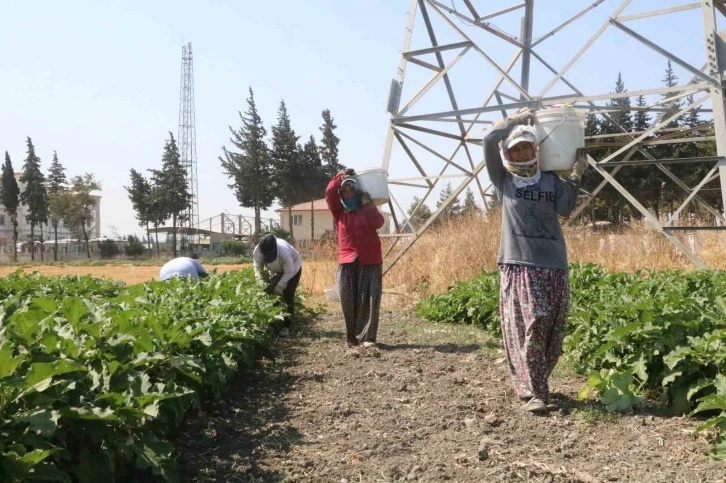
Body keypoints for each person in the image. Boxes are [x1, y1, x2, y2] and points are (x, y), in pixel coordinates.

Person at [483, 108, 589, 414]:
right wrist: (515, 122)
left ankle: (531, 383)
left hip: (555, 263)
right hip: (520, 264)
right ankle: (538, 393)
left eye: (525, 146)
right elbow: (490, 139)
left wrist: (577, 173)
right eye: (514, 149)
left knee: (553, 330)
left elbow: (566, 209)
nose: (519, 153)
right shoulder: (504, 180)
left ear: (535, 149)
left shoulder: (550, 180)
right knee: (532, 323)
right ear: (507, 154)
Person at [325, 168, 386, 348]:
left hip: (370, 259)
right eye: (344, 190)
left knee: (370, 298)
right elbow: (329, 193)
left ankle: (369, 338)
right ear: (341, 194)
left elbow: (378, 223)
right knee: (347, 298)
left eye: (352, 188)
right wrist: (340, 176)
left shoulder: (366, 208)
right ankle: (351, 337)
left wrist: (368, 204)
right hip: (347, 260)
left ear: (358, 191)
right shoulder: (339, 213)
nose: (348, 192)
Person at [253, 234, 302, 338]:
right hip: (275, 270)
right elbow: (258, 270)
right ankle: (274, 322)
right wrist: (261, 283)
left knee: (288, 294)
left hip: (293, 269)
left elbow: (289, 272)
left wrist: (279, 287)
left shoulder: (284, 253)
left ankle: (287, 326)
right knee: (268, 293)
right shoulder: (257, 250)